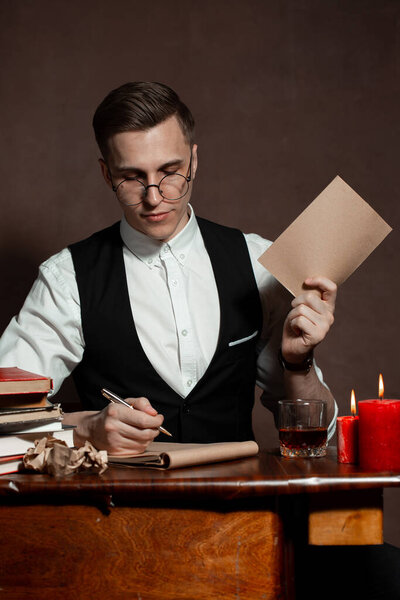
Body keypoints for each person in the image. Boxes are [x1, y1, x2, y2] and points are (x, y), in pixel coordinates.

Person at [0, 81, 338, 455]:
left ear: (193, 161)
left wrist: (298, 363)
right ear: (106, 174)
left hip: (242, 509)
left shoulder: (258, 262)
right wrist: (83, 430)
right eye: (132, 177)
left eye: (170, 171)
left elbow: (319, 434)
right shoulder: (67, 279)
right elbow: (3, 418)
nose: (154, 196)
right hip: (118, 510)